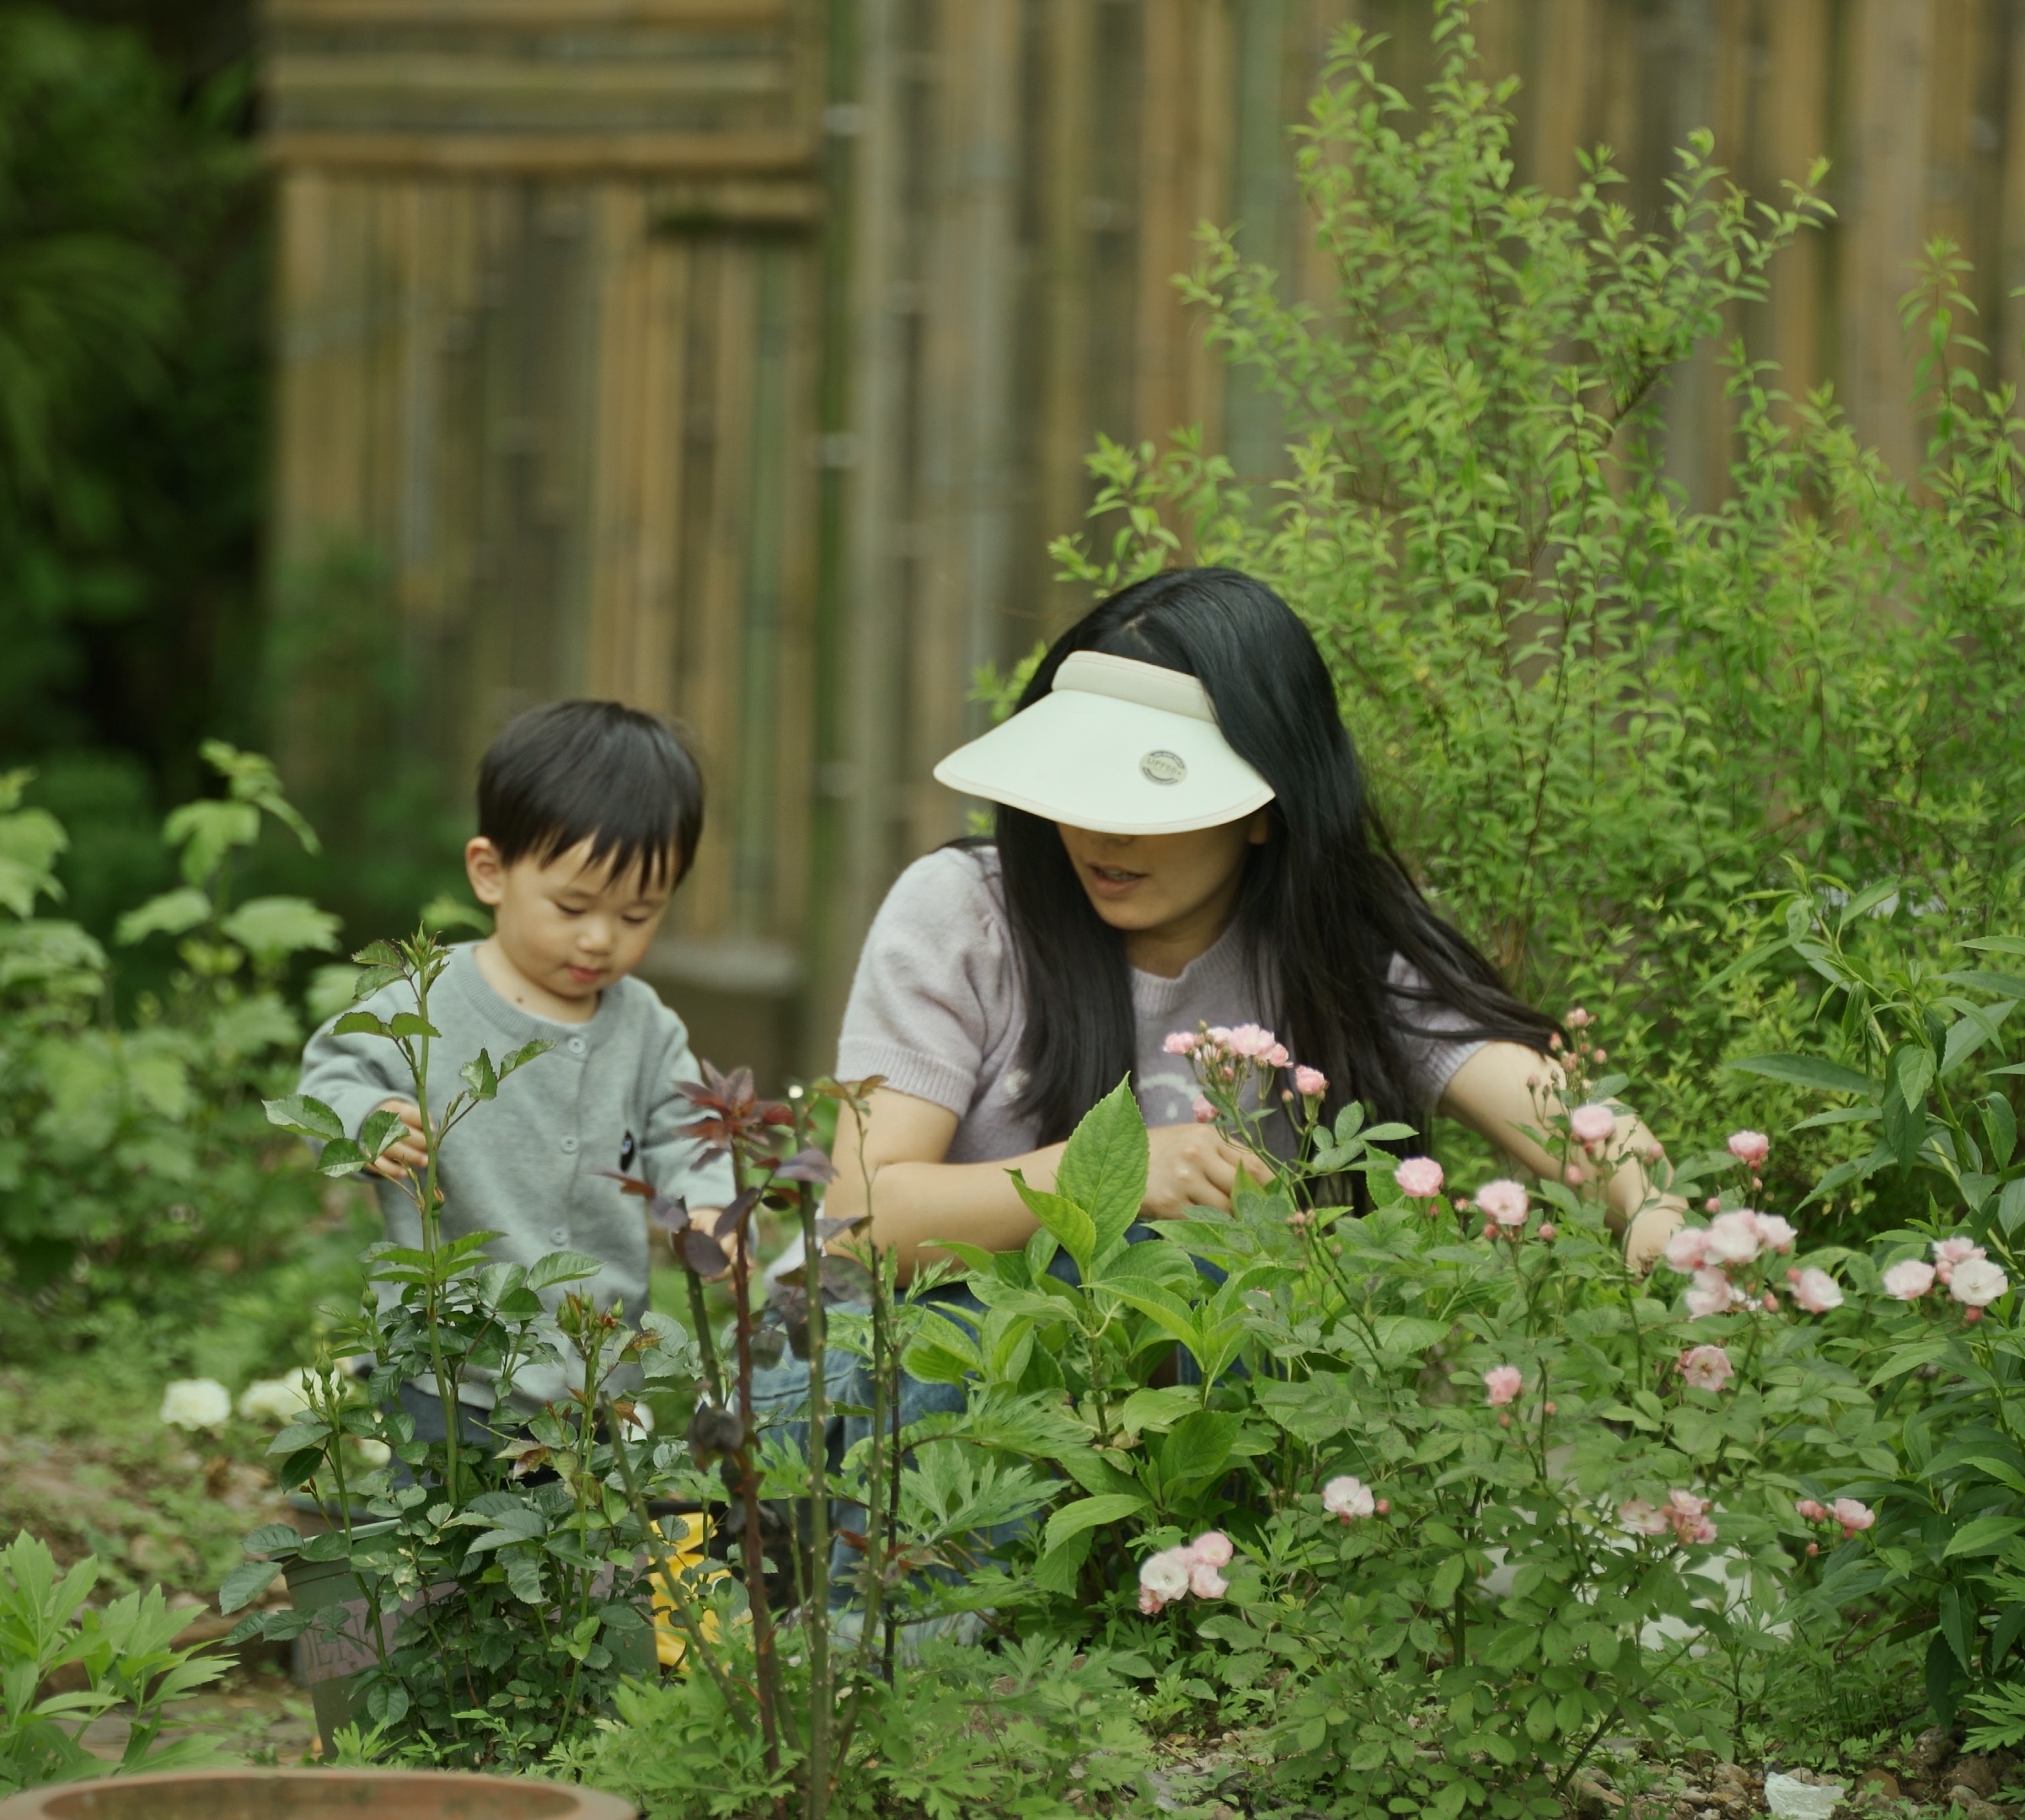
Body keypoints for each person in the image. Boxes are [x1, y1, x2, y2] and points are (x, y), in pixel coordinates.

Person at [826, 565, 1689, 1271]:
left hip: (1207, 1424)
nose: (1104, 830)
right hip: (927, 1395)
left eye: (1150, 792)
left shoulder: (1334, 952)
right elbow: (862, 1221)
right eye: (1081, 784)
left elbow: (1535, 1094)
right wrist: (1119, 1173)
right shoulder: (967, 914)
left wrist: (1653, 1208)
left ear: (1264, 806)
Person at [297, 700, 736, 1438]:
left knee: (587, 1546)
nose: (600, 939)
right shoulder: (425, 1001)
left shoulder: (647, 1026)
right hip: (447, 1368)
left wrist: (708, 1208)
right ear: (491, 872)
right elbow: (327, 1082)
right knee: (450, 1541)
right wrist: (364, 1125)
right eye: (572, 906)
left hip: (596, 1378)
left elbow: (687, 1131)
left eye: (638, 916)